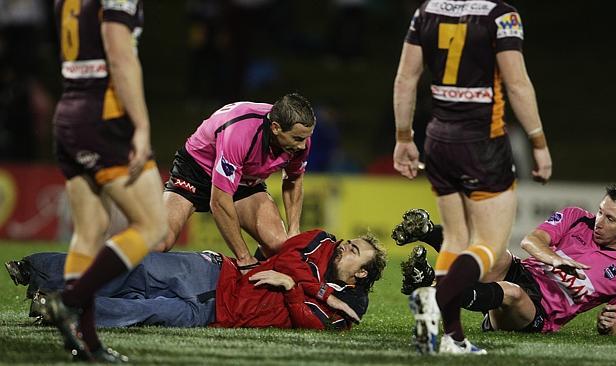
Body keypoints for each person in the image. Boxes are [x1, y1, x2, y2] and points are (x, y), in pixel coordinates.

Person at [392, 0, 553, 354]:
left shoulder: (427, 11)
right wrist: (538, 142)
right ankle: (431, 301)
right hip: (482, 142)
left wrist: (404, 137)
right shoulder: (502, 15)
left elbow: (406, 78)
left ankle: (452, 337)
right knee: (491, 245)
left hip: (438, 139)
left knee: (455, 239)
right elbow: (517, 84)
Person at [40, 0, 168, 362]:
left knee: (90, 229)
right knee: (152, 226)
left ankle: (87, 343)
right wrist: (141, 126)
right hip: (104, 116)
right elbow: (119, 54)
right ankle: (67, 301)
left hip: (70, 111)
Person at [398, 185, 616, 353]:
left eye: (610, 219)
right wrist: (554, 259)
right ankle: (427, 232)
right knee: (495, 253)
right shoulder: (577, 218)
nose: (599, 222)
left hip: (538, 313)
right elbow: (531, 241)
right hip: (522, 272)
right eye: (600, 211)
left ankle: (430, 283)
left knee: (512, 293)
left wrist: (607, 326)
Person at [7, 230, 386, 331]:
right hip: (214, 272)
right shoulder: (318, 240)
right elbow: (287, 260)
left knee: (141, 312)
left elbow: (309, 320)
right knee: (133, 268)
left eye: (354, 252)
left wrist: (291, 289)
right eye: (349, 243)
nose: (343, 248)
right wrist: (312, 290)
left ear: (363, 273)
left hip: (217, 314)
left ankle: (57, 307)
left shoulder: (347, 309)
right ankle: (36, 268)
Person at [160, 94, 315, 271]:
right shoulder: (240, 133)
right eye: (297, 139)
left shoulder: (300, 139)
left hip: (244, 180)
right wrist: (244, 258)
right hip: (195, 172)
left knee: (279, 245)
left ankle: (254, 291)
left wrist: (294, 230)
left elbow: (293, 178)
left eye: (306, 138)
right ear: (276, 127)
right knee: (161, 241)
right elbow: (219, 201)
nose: (303, 146)